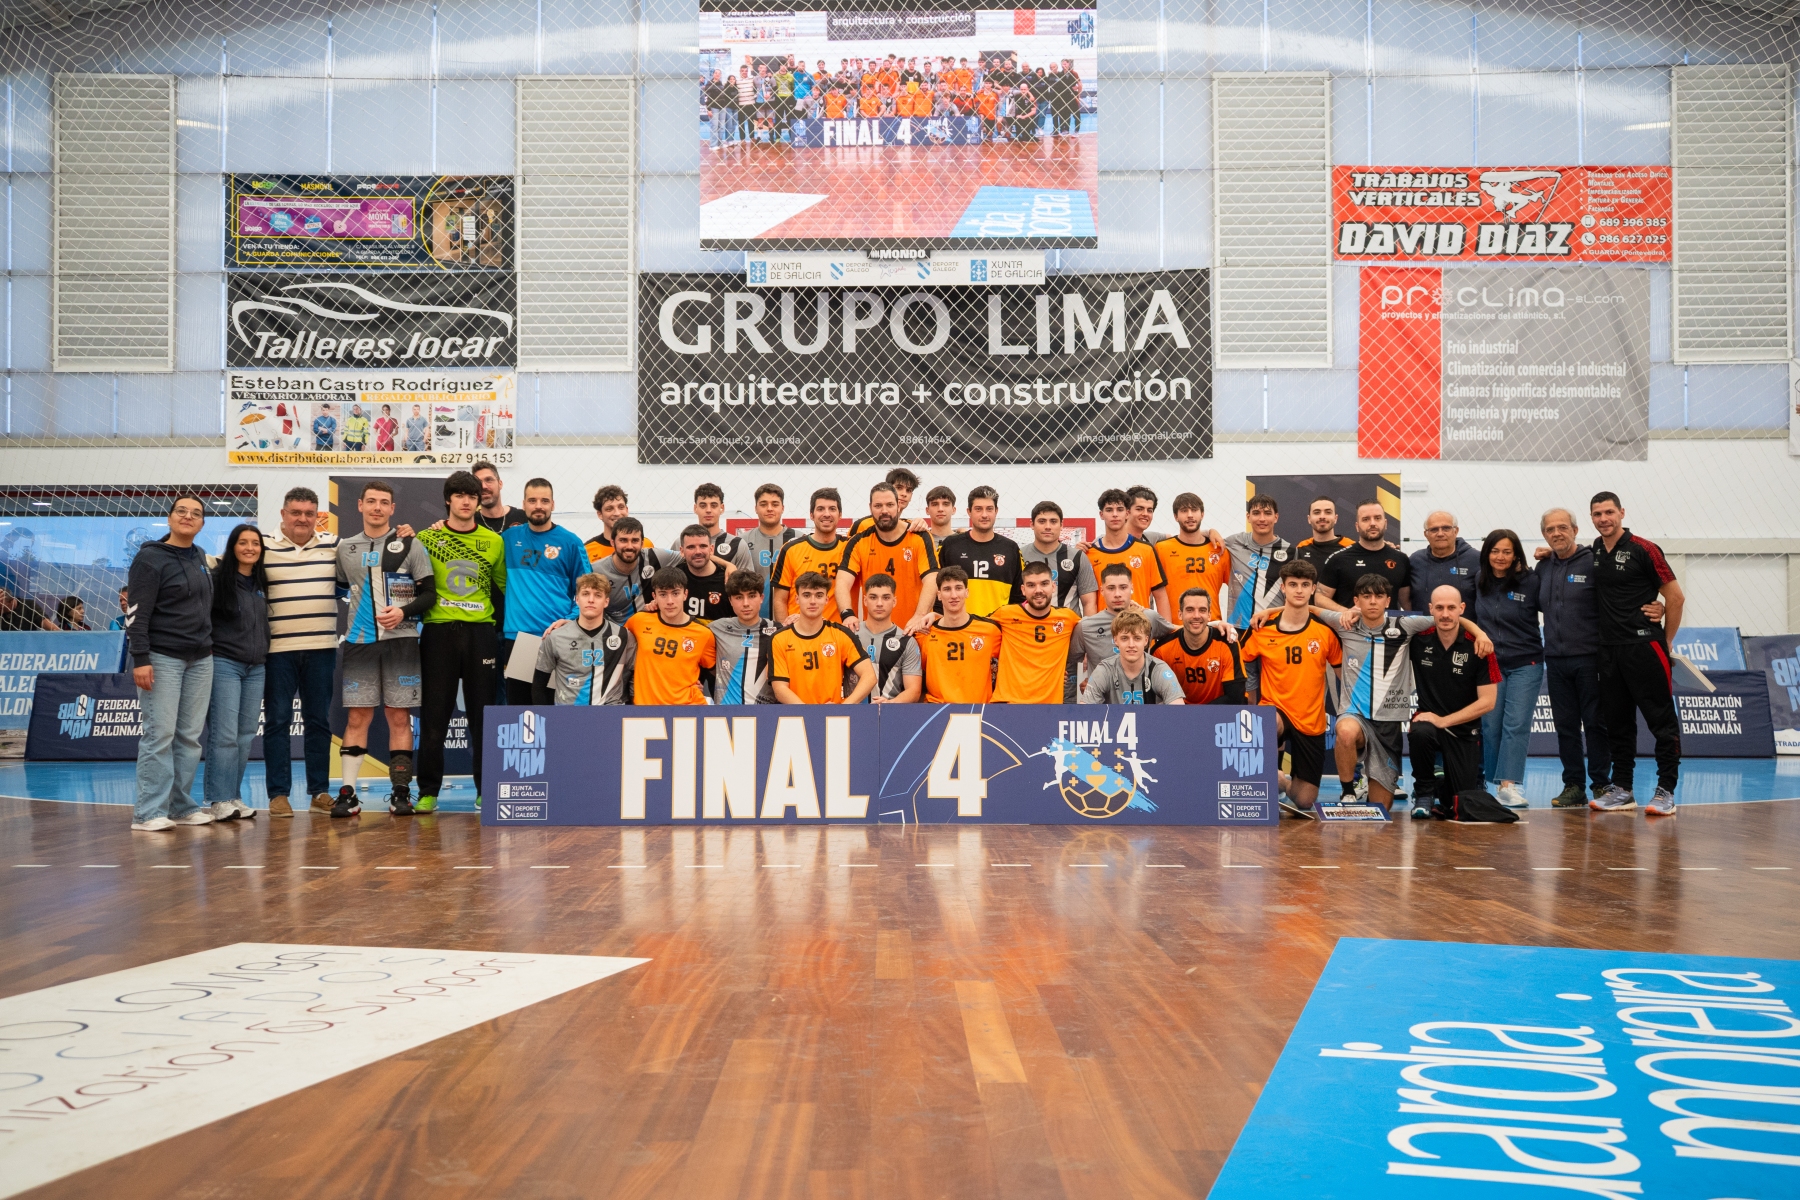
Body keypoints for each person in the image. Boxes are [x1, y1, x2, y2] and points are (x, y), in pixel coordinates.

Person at [1321, 575, 1489, 816]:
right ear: (1356, 601)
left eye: (1378, 596)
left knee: (1381, 807)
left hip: (1388, 725)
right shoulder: (1343, 623)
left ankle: (1374, 784)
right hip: (1355, 715)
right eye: (1366, 597)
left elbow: (1448, 619)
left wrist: (1481, 634)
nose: (1372, 602)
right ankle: (1348, 791)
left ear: (1388, 601)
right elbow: (1308, 608)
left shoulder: (1405, 625)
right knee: (1345, 730)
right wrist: (1270, 612)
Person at [336, 480, 436, 816]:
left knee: (398, 716)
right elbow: (340, 588)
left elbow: (429, 594)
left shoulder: (410, 543)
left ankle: (400, 792)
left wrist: (403, 612)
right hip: (360, 643)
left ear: (393, 508)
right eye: (371, 501)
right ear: (360, 505)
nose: (377, 508)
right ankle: (348, 794)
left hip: (401, 642)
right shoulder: (345, 547)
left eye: (384, 502)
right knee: (357, 717)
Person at [1588, 492, 1684, 816]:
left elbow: (1675, 598)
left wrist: (1666, 640)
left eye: (1609, 512)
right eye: (1597, 514)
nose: (1604, 519)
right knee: (1618, 724)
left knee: (1662, 722)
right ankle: (1623, 789)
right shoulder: (1595, 549)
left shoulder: (1645, 549)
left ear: (1622, 513)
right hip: (1608, 651)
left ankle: (1666, 790)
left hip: (1645, 648)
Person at [416, 471, 507, 814]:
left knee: (482, 716)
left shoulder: (493, 542)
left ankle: (485, 789)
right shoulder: (427, 537)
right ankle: (428, 792)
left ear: (479, 501)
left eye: (472, 496)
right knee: (434, 715)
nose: (466, 501)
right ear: (448, 500)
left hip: (481, 634)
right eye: (459, 495)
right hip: (439, 633)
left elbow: (504, 589)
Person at [125, 493, 215, 831]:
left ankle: (180, 807)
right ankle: (148, 813)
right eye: (182, 511)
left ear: (202, 523)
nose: (188, 516)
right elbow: (137, 614)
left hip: (200, 659)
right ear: (169, 518)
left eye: (196, 513)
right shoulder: (149, 558)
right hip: (161, 658)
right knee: (159, 735)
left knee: (189, 737)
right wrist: (141, 658)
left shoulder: (200, 557)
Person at [1239, 560, 1342, 816]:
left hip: (1311, 720)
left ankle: (1282, 782)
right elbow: (1240, 664)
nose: (1299, 590)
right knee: (1264, 722)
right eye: (1293, 584)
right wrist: (1249, 700)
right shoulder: (1261, 628)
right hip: (1275, 709)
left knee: (1304, 801)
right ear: (1283, 588)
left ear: (1313, 589)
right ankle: (1267, 778)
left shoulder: (1325, 632)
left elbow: (1343, 675)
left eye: (1305, 585)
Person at [263, 486, 341, 818]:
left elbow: (372, 551)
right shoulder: (262, 546)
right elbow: (218, 567)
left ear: (317, 516)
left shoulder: (334, 545)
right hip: (277, 651)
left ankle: (319, 792)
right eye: (295, 512)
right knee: (277, 721)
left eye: (309, 513)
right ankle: (278, 795)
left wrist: (404, 534)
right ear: (283, 513)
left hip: (322, 649)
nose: (302, 519)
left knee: (319, 721)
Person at [1535, 508, 1613, 808]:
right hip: (1555, 660)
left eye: (1562, 527)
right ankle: (1574, 786)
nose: (1556, 533)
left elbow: (1620, 595)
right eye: (1550, 529)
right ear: (1544, 535)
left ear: (1575, 530)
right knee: (1565, 726)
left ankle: (1602, 784)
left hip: (1590, 658)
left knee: (1595, 723)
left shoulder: (1594, 562)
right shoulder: (1543, 567)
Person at [1411, 585, 1502, 818]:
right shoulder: (1418, 639)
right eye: (1439, 608)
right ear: (1430, 609)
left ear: (1462, 608)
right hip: (1430, 725)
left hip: (1464, 731)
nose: (1445, 614)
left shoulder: (1481, 646)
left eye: (1451, 608)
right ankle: (1423, 793)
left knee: (1458, 803)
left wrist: (1444, 721)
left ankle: (1441, 782)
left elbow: (1488, 702)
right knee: (1420, 730)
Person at [500, 478, 586, 703]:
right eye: (532, 500)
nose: (538, 506)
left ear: (553, 504)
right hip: (518, 638)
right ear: (523, 505)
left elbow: (588, 590)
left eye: (544, 501)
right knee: (519, 711)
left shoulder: (571, 542)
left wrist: (570, 619)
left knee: (552, 709)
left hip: (556, 638)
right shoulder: (508, 539)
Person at [1474, 529, 1543, 810]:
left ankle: (1508, 785)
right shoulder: (1478, 580)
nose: (1500, 557)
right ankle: (1495, 783)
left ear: (1516, 555)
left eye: (1507, 551)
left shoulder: (1531, 581)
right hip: (1490, 665)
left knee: (1516, 724)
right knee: (1490, 726)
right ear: (1487, 554)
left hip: (1526, 663)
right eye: (1495, 551)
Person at [204, 523, 268, 822]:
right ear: (232, 547)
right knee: (225, 735)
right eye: (243, 542)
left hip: (256, 667)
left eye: (255, 543)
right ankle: (218, 799)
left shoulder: (261, 582)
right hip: (225, 664)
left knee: (244, 736)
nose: (250, 548)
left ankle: (233, 796)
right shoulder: (217, 580)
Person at [838, 482, 938, 631]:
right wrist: (847, 615)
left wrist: (919, 615)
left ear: (898, 506)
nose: (884, 511)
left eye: (890, 505)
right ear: (870, 508)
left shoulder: (919, 537)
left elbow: (932, 579)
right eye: (878, 506)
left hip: (915, 630)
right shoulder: (858, 542)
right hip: (876, 633)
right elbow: (842, 582)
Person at [770, 572, 875, 704]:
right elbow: (780, 688)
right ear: (797, 599)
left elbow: (869, 676)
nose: (813, 601)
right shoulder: (779, 639)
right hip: (796, 714)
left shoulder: (841, 634)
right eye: (806, 595)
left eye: (819, 595)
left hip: (833, 714)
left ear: (826, 599)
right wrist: (811, 712)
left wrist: (843, 707)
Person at [533, 574, 633, 704]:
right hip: (569, 713)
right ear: (577, 599)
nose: (591, 600)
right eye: (585, 594)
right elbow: (538, 687)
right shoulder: (556, 637)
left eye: (598, 595)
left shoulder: (623, 636)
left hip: (609, 712)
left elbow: (639, 675)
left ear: (606, 602)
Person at [990, 560, 1081, 704]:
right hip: (1008, 704)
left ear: (1053, 586)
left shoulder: (1068, 618)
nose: (1038, 590)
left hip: (1049, 707)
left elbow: (1098, 631)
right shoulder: (1005, 614)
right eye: (1031, 585)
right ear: (1023, 589)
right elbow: (971, 628)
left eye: (1044, 584)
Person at [624, 568, 716, 705]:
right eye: (663, 594)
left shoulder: (703, 634)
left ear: (685, 594)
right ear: (654, 596)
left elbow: (718, 673)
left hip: (687, 709)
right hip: (646, 710)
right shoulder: (638, 621)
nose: (670, 601)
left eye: (675, 593)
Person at [1074, 563, 1174, 688]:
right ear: (1102, 590)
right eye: (1111, 588)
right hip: (1102, 697)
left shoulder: (1148, 617)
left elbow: (1180, 634)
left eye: (1123, 587)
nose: (1117, 594)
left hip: (1142, 696)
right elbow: (1069, 663)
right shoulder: (1086, 627)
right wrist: (1072, 697)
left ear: (1132, 587)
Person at [914, 567, 1002, 703]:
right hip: (937, 710)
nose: (953, 595)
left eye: (958, 588)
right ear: (939, 595)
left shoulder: (990, 631)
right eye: (947, 589)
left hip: (978, 710)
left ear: (967, 592)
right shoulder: (924, 633)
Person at [936, 486, 1022, 617]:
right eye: (978, 509)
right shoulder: (950, 546)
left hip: (997, 626)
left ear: (996, 511)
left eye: (989, 509)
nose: (984, 515)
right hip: (958, 626)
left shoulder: (1011, 549)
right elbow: (935, 589)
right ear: (969, 512)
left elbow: (1019, 596)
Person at [1151, 589, 1245, 706]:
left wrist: (1198, 714)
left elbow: (1235, 697)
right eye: (1190, 610)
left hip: (1217, 713)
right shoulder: (1162, 650)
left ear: (1209, 615)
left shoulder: (1228, 644)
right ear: (1180, 614)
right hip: (1179, 711)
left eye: (1202, 610)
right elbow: (1152, 696)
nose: (1196, 616)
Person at [1316, 500, 1411, 611]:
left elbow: (1407, 603)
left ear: (1385, 523)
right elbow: (1320, 598)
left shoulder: (1401, 559)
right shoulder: (1339, 559)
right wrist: (1346, 612)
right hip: (1351, 622)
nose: (1372, 523)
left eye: (1377, 518)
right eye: (1366, 519)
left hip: (1389, 623)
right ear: (1357, 526)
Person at [771, 488, 847, 623]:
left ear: (840, 514)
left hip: (838, 631)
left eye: (832, 509)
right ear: (811, 515)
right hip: (800, 631)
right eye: (820, 509)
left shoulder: (851, 548)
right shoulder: (791, 549)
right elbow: (779, 599)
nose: (827, 514)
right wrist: (786, 630)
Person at [1085, 489, 1166, 612]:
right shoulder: (1089, 554)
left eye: (1120, 509)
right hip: (1105, 624)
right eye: (1109, 510)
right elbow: (1088, 602)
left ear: (1127, 513)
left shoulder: (1146, 549)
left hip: (1139, 622)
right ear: (1101, 514)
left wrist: (1164, 625)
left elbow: (1161, 597)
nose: (1115, 514)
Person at [1081, 610, 1185, 704]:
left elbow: (1178, 710)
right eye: (1125, 638)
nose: (1131, 645)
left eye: (1137, 638)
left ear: (1146, 640)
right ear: (1115, 640)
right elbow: (1085, 712)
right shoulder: (1105, 670)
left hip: (1152, 720)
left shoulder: (1158, 669)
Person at [1153, 493, 1230, 620]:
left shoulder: (1219, 550)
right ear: (1175, 516)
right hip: (1175, 626)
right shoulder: (1161, 549)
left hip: (1211, 625)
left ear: (1202, 514)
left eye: (1194, 510)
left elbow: (1236, 589)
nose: (1190, 515)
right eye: (1184, 511)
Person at [1224, 493, 1294, 631]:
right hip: (1238, 628)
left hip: (1272, 628)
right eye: (1256, 513)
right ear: (1248, 517)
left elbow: (1296, 598)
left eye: (1267, 513)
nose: (1262, 519)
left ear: (1276, 517)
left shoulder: (1290, 551)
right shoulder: (1234, 542)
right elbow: (1199, 539)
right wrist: (1210, 531)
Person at [851, 573, 922, 703]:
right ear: (865, 601)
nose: (879, 603)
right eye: (873, 597)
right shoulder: (849, 634)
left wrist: (890, 703)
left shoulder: (906, 641)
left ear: (894, 601)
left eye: (886, 598)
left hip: (888, 712)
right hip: (851, 711)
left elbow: (914, 690)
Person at [712, 570, 779, 704]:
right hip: (726, 713)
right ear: (730, 600)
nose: (746, 603)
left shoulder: (778, 631)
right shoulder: (716, 628)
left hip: (765, 714)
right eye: (739, 597)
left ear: (761, 598)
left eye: (752, 596)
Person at [1021, 500, 1097, 615]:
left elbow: (1089, 603)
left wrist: (1088, 627)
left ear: (1061, 525)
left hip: (1069, 625)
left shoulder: (1077, 557)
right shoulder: (1019, 555)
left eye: (1053, 521)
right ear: (1032, 524)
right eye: (1042, 521)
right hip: (1028, 625)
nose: (1048, 527)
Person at [594, 517, 667, 623]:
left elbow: (687, 555)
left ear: (642, 543)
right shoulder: (596, 571)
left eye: (635, 540)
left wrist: (663, 598)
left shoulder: (655, 557)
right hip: (614, 630)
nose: (629, 546)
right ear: (612, 542)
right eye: (623, 540)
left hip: (649, 627)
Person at [740, 483, 796, 619]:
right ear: (756, 508)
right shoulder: (743, 541)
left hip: (791, 619)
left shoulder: (798, 539)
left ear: (782, 508)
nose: (769, 508)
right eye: (763, 504)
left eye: (775, 504)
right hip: (754, 620)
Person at [1409, 510, 1480, 608]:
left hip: (1465, 619)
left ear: (1456, 531)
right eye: (1434, 529)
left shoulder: (1476, 559)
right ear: (1426, 534)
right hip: (1422, 619)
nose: (1440, 533)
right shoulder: (1415, 560)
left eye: (1446, 528)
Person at [692, 482, 759, 573]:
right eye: (703, 506)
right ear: (695, 508)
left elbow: (747, 582)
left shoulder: (737, 545)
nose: (708, 510)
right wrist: (727, 564)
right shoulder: (681, 543)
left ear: (722, 508)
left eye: (713, 505)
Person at [675, 523, 734, 623]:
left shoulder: (727, 580)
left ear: (711, 549)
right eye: (691, 547)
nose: (698, 552)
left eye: (703, 546)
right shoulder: (675, 578)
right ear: (682, 551)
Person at [585, 485, 655, 563]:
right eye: (609, 509)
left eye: (621, 507)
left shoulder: (646, 545)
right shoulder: (588, 550)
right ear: (600, 514)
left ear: (627, 510)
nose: (617, 513)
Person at [852, 468, 922, 535]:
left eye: (909, 490)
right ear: (888, 488)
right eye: (899, 488)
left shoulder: (912, 526)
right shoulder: (862, 525)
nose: (904, 494)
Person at [470, 460, 526, 535]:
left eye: (489, 480)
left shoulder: (522, 517)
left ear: (500, 484)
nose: (483, 486)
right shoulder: (470, 523)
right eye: (478, 482)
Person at [1294, 497, 1353, 568]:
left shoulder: (1351, 547)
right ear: (1309, 519)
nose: (1322, 516)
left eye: (1328, 512)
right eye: (1317, 512)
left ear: (1335, 518)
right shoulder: (1301, 548)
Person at [922, 485, 958, 550]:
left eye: (946, 504)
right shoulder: (920, 540)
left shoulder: (963, 541)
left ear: (953, 510)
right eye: (935, 504)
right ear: (927, 510)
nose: (940, 509)